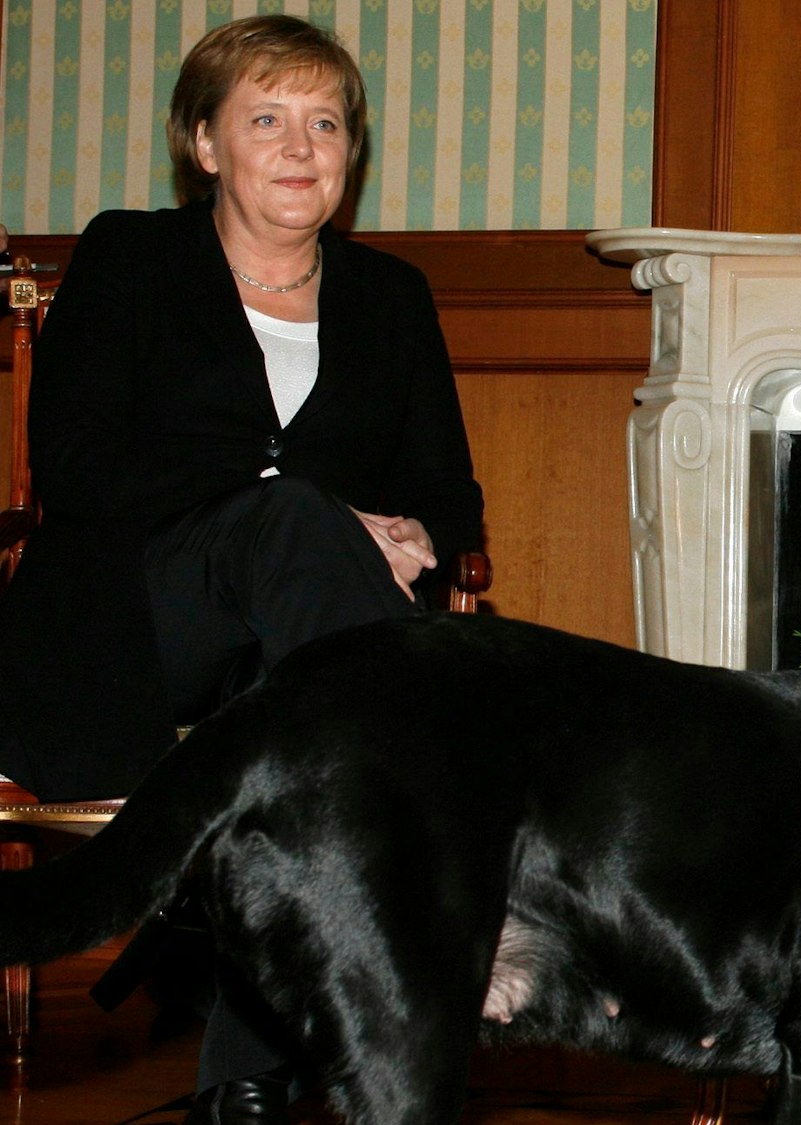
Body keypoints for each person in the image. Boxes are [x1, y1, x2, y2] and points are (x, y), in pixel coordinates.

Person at [0, 15, 482, 1124]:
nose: (301, 146)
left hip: (291, 661)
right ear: (205, 145)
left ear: (350, 154)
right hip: (129, 633)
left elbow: (453, 499)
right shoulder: (129, 256)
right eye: (266, 119)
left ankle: (247, 1084)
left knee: (316, 758)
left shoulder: (390, 297)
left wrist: (408, 529)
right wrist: (310, 509)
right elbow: (77, 465)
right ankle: (443, 889)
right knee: (300, 545)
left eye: (325, 123)